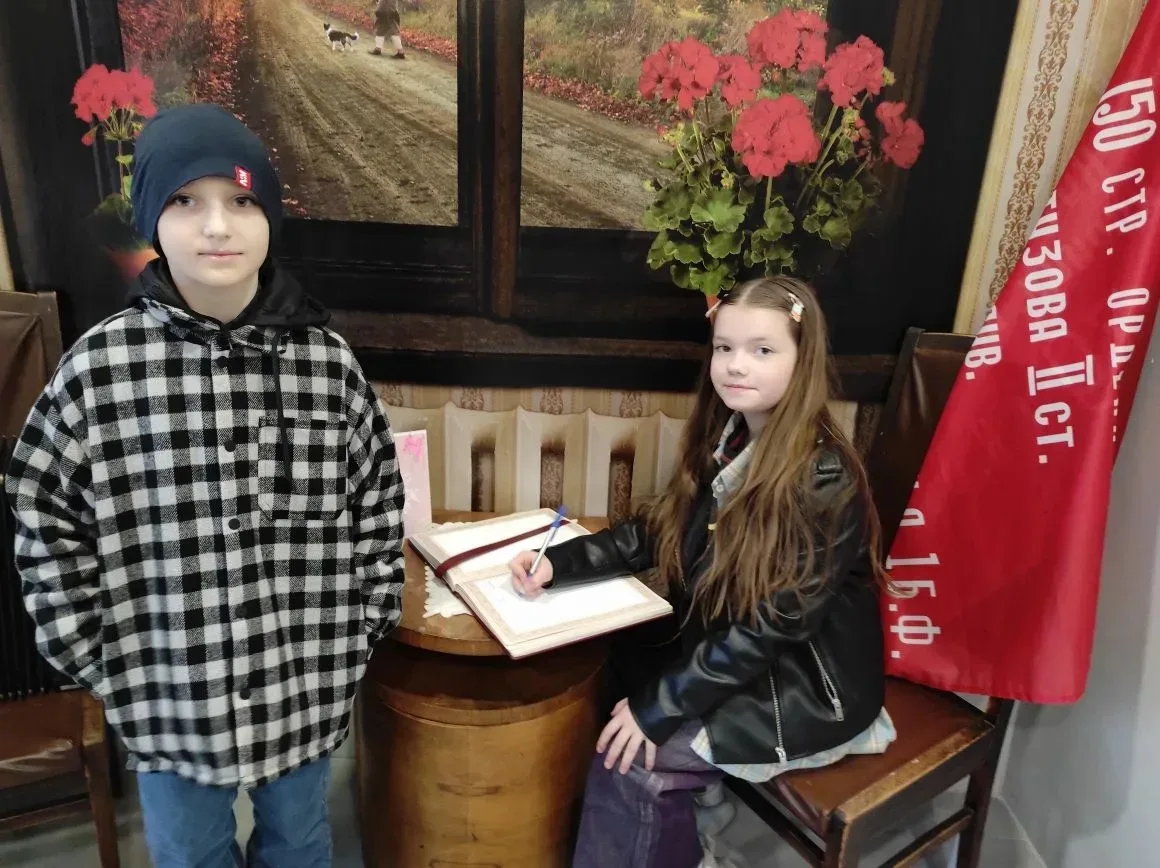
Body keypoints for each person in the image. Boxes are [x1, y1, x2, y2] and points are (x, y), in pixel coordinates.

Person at [5, 103, 406, 868]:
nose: (217, 226)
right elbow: (41, 509)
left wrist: (367, 616)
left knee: (300, 845)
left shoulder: (326, 365)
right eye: (187, 200)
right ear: (151, 219)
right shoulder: (99, 371)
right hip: (166, 692)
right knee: (191, 854)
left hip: (303, 678)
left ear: (270, 218)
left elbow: (377, 496)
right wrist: (90, 650)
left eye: (241, 200)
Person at [510, 277, 896, 868]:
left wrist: (659, 708)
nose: (736, 365)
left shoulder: (823, 479)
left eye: (762, 350)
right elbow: (656, 532)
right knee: (600, 670)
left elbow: (774, 628)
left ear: (804, 360)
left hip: (801, 686)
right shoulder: (729, 435)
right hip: (729, 646)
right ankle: (682, 819)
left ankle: (661, 824)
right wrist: (557, 564)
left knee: (632, 756)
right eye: (724, 348)